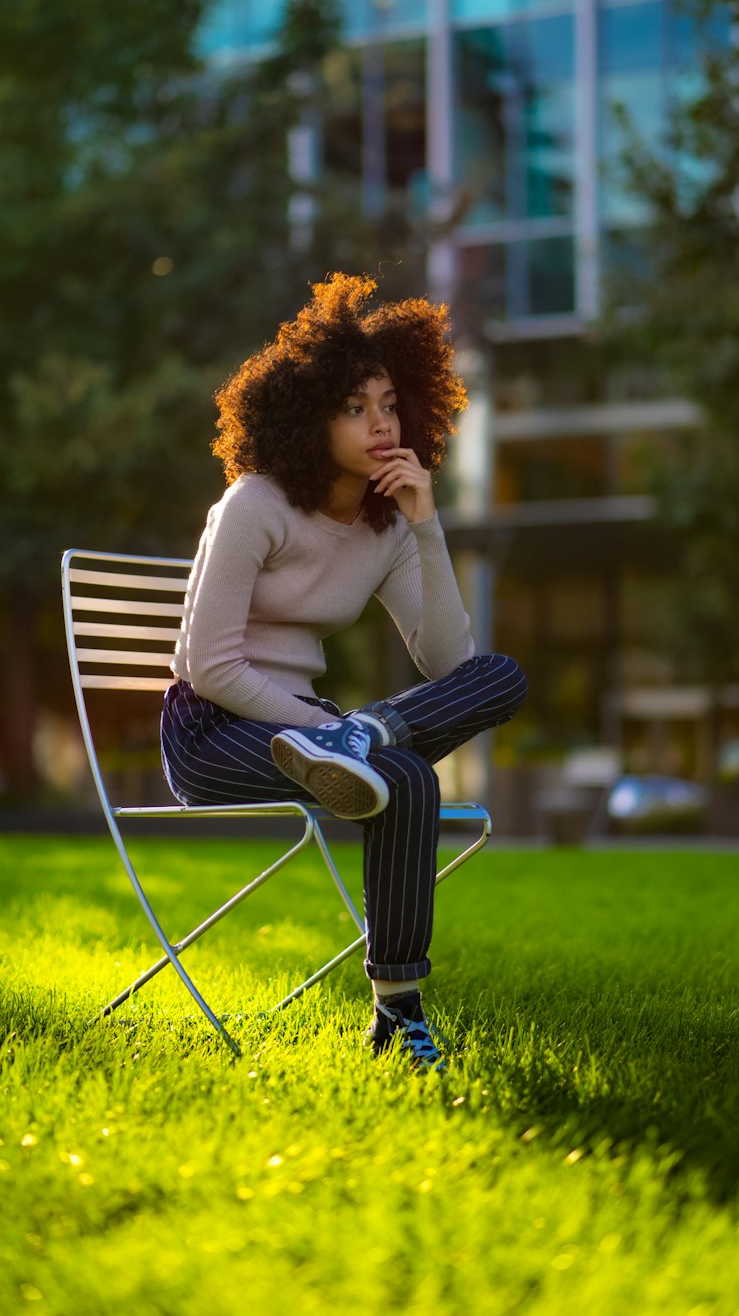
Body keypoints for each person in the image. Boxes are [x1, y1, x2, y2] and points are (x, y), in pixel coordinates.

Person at [161, 273, 527, 1068]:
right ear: (307, 417)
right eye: (355, 408)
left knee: (499, 678)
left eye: (390, 403)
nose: (381, 423)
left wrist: (426, 529)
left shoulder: (388, 523)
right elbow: (211, 665)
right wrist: (325, 730)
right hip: (212, 731)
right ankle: (358, 743)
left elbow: (448, 665)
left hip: (324, 733)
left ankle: (397, 1016)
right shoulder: (254, 504)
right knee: (399, 775)